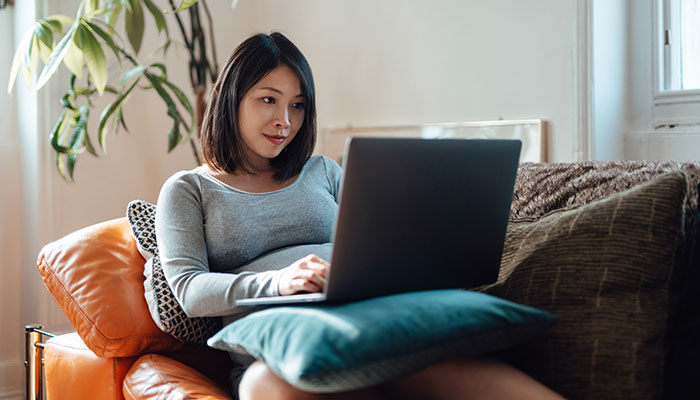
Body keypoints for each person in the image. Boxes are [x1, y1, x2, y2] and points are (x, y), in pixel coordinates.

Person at [155, 32, 563, 400]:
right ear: (230, 97)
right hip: (285, 349)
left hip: (369, 323)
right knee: (265, 386)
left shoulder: (323, 171)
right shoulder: (190, 189)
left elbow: (374, 243)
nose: (285, 121)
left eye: (298, 106)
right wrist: (278, 281)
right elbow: (189, 290)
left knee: (443, 365)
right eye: (268, 100)